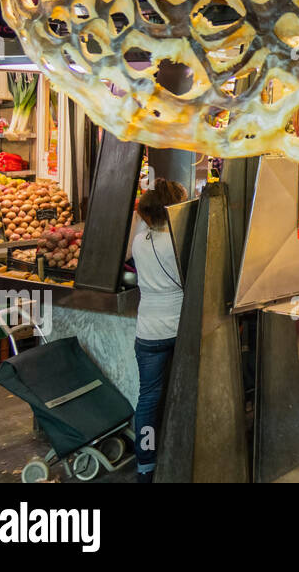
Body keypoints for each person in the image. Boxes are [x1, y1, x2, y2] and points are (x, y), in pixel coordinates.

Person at [130, 179, 188, 483]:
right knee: (185, 393)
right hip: (179, 329)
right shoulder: (179, 241)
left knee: (148, 399)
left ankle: (146, 464)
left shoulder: (139, 242)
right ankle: (182, 452)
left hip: (148, 332)